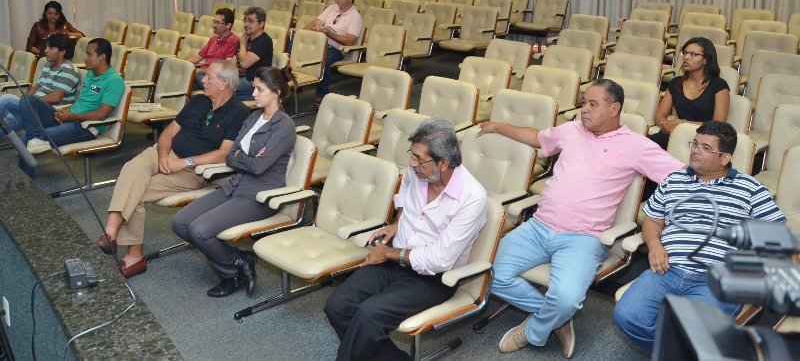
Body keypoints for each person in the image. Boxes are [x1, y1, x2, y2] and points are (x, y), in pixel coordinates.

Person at [478, 79, 683, 358]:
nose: (584, 109)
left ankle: (535, 330)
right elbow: (536, 137)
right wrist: (496, 126)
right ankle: (556, 318)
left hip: (583, 239)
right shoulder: (571, 130)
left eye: (593, 104)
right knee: (486, 272)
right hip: (538, 227)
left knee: (566, 299)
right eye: (584, 102)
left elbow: (680, 177)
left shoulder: (636, 146)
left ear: (614, 109)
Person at [614, 120, 785, 352]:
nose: (695, 151)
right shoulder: (673, 180)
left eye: (706, 148)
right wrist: (654, 245)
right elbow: (653, 220)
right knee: (627, 315)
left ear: (725, 158)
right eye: (695, 144)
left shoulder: (751, 189)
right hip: (667, 269)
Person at [324, 118, 488, 361]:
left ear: (444, 163)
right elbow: (404, 192)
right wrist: (397, 223)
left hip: (432, 278)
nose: (412, 163)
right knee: (338, 305)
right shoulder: (417, 172)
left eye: (419, 159)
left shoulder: (472, 198)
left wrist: (389, 253)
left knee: (369, 315)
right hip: (394, 258)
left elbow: (440, 260)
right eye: (412, 155)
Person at [96, 60, 249, 279]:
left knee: (135, 191)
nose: (203, 80)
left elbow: (223, 154)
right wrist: (163, 155)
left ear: (224, 83)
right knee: (131, 168)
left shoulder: (239, 112)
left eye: (208, 77)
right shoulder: (198, 100)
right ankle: (112, 231)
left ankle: (133, 254)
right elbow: (168, 133)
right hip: (167, 153)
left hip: (194, 170)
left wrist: (184, 163)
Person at [172, 66, 297, 297]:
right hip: (236, 184)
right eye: (254, 88)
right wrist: (246, 157)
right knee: (180, 222)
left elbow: (259, 167)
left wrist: (243, 157)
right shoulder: (253, 117)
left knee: (199, 230)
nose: (253, 93)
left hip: (260, 195)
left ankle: (230, 274)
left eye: (259, 89)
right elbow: (230, 156)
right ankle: (239, 258)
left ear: (277, 92)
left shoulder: (284, 126)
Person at [17, 38, 125, 177]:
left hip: (85, 127)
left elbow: (101, 115)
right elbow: (82, 102)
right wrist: (66, 110)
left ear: (102, 56)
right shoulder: (91, 74)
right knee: (27, 99)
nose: (85, 58)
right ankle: (37, 139)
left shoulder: (114, 81)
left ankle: (27, 182)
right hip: (69, 118)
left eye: (89, 54)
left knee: (25, 140)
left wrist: (71, 116)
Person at [290, 0, 363, 107]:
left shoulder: (355, 17)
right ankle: (291, 81)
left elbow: (349, 41)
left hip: (335, 48)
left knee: (323, 61)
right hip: (318, 43)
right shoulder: (331, 8)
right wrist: (300, 33)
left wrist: (330, 34)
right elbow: (316, 22)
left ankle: (322, 95)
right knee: (293, 42)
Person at [650, 37, 730, 149]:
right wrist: (666, 125)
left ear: (706, 60)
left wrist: (682, 124)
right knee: (643, 145)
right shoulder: (676, 83)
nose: (686, 57)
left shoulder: (719, 85)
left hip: (704, 141)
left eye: (693, 54)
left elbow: (718, 125)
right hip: (676, 136)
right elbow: (659, 116)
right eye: (685, 53)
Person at [0, 34, 79, 136]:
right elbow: (36, 87)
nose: (45, 50)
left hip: (51, 111)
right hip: (35, 108)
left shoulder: (68, 69)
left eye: (51, 48)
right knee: (10, 121)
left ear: (62, 51)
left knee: (6, 99)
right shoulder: (48, 65)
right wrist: (23, 98)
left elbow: (56, 98)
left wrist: (28, 102)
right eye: (47, 47)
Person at [186, 8, 239, 90]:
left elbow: (225, 67)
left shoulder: (234, 41)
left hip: (214, 76)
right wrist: (181, 64)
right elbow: (197, 57)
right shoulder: (213, 39)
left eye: (218, 23)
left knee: (188, 80)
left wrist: (201, 71)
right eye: (214, 21)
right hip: (202, 74)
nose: (214, 25)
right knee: (177, 73)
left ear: (228, 25)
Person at [231, 6, 273, 101]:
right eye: (245, 21)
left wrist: (242, 45)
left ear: (261, 24)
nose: (246, 24)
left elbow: (244, 64)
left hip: (253, 83)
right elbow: (235, 60)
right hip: (239, 77)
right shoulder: (246, 38)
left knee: (220, 87)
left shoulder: (264, 41)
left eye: (250, 21)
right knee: (209, 80)